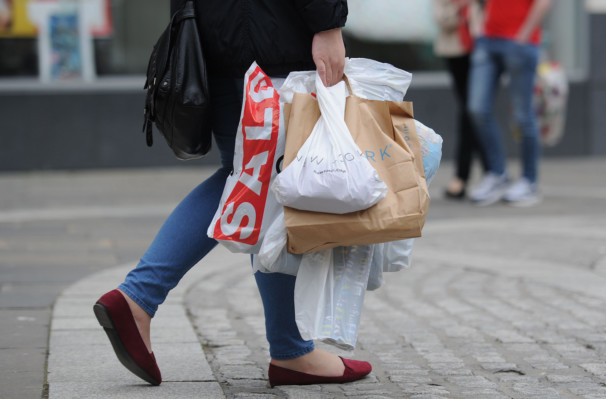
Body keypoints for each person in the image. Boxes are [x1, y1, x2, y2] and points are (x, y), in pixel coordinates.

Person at [92, 0, 372, 388]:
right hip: (276, 42)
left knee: (250, 178)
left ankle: (142, 298)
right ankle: (289, 351)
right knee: (270, 181)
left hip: (217, 42)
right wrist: (328, 24)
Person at [467, 0, 553, 206]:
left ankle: (529, 182)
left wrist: (524, 34)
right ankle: (497, 175)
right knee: (477, 109)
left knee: (523, 116)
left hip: (520, 42)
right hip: (488, 40)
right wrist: (478, 25)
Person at [432, 0, 488, 200]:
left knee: (478, 111)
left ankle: (475, 175)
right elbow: (441, 18)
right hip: (457, 52)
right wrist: (461, 7)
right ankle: (483, 172)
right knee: (469, 111)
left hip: (486, 49)